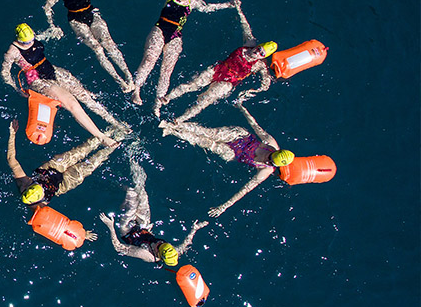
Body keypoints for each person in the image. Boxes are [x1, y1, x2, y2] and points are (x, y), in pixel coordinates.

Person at [1, 23, 126, 147]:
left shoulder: (32, 39)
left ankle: (116, 123)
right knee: (72, 104)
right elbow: (5, 72)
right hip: (39, 81)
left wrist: (53, 31)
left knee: (85, 96)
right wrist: (17, 89)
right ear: (19, 40)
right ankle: (101, 137)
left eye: (32, 40)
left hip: (53, 71)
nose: (31, 43)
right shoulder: (12, 52)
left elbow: (42, 37)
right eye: (27, 43)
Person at [159, 104, 295, 217]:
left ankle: (171, 130)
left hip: (237, 154)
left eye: (270, 162)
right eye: (270, 157)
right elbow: (255, 125)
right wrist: (242, 108)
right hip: (241, 137)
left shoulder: (265, 171)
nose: (267, 160)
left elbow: (245, 190)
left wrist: (224, 207)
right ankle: (176, 123)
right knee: (208, 133)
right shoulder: (270, 142)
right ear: (275, 152)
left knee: (205, 143)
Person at [126, 0, 240, 111]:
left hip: (175, 36)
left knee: (167, 71)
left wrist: (228, 4)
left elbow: (209, 8)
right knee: (149, 60)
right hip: (160, 28)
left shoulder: (194, 2)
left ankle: (157, 104)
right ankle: (136, 90)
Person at [42, 0, 137, 93]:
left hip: (91, 13)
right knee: (98, 49)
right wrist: (52, 25)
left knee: (109, 44)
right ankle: (119, 80)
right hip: (76, 20)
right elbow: (47, 5)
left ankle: (128, 75)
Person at [7, 121, 121, 229]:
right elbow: (57, 224)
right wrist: (80, 233)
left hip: (50, 169)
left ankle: (111, 130)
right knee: (90, 165)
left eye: (37, 185)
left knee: (81, 150)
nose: (41, 186)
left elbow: (11, 159)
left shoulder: (24, 182)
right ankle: (116, 142)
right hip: (60, 185)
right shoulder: (39, 209)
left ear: (30, 185)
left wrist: (12, 134)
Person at [99, 158, 208, 266]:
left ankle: (111, 182)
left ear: (158, 254)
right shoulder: (172, 251)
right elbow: (186, 244)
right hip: (144, 228)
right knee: (142, 194)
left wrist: (110, 226)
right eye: (162, 243)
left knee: (131, 195)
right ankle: (134, 159)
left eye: (159, 246)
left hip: (127, 232)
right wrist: (195, 229)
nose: (159, 243)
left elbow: (119, 247)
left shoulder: (146, 255)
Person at [160, 38, 277, 123]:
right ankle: (168, 97)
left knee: (205, 99)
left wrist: (256, 90)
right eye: (259, 49)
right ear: (258, 46)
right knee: (192, 84)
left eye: (261, 53)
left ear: (263, 57)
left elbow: (266, 82)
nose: (257, 52)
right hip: (219, 68)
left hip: (228, 82)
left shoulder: (259, 65)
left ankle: (181, 119)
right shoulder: (249, 43)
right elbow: (245, 27)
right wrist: (239, 10)